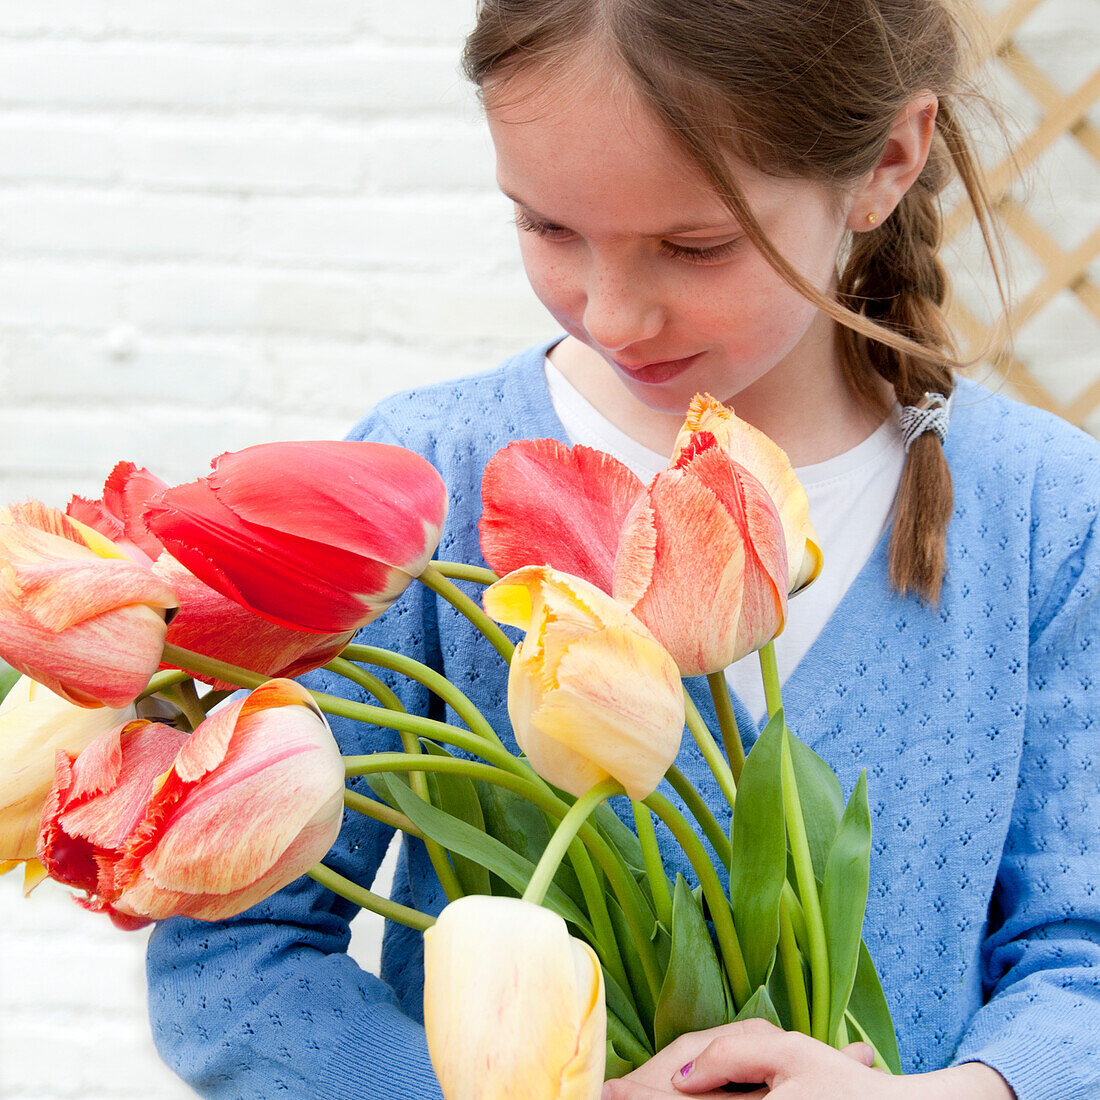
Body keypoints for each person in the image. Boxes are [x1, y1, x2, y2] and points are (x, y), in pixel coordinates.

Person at [145, 1, 1100, 1097]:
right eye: (545, 227)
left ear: (886, 160)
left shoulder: (1040, 512)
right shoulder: (426, 491)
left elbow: (1079, 951)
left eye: (692, 245)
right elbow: (233, 959)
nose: (611, 312)